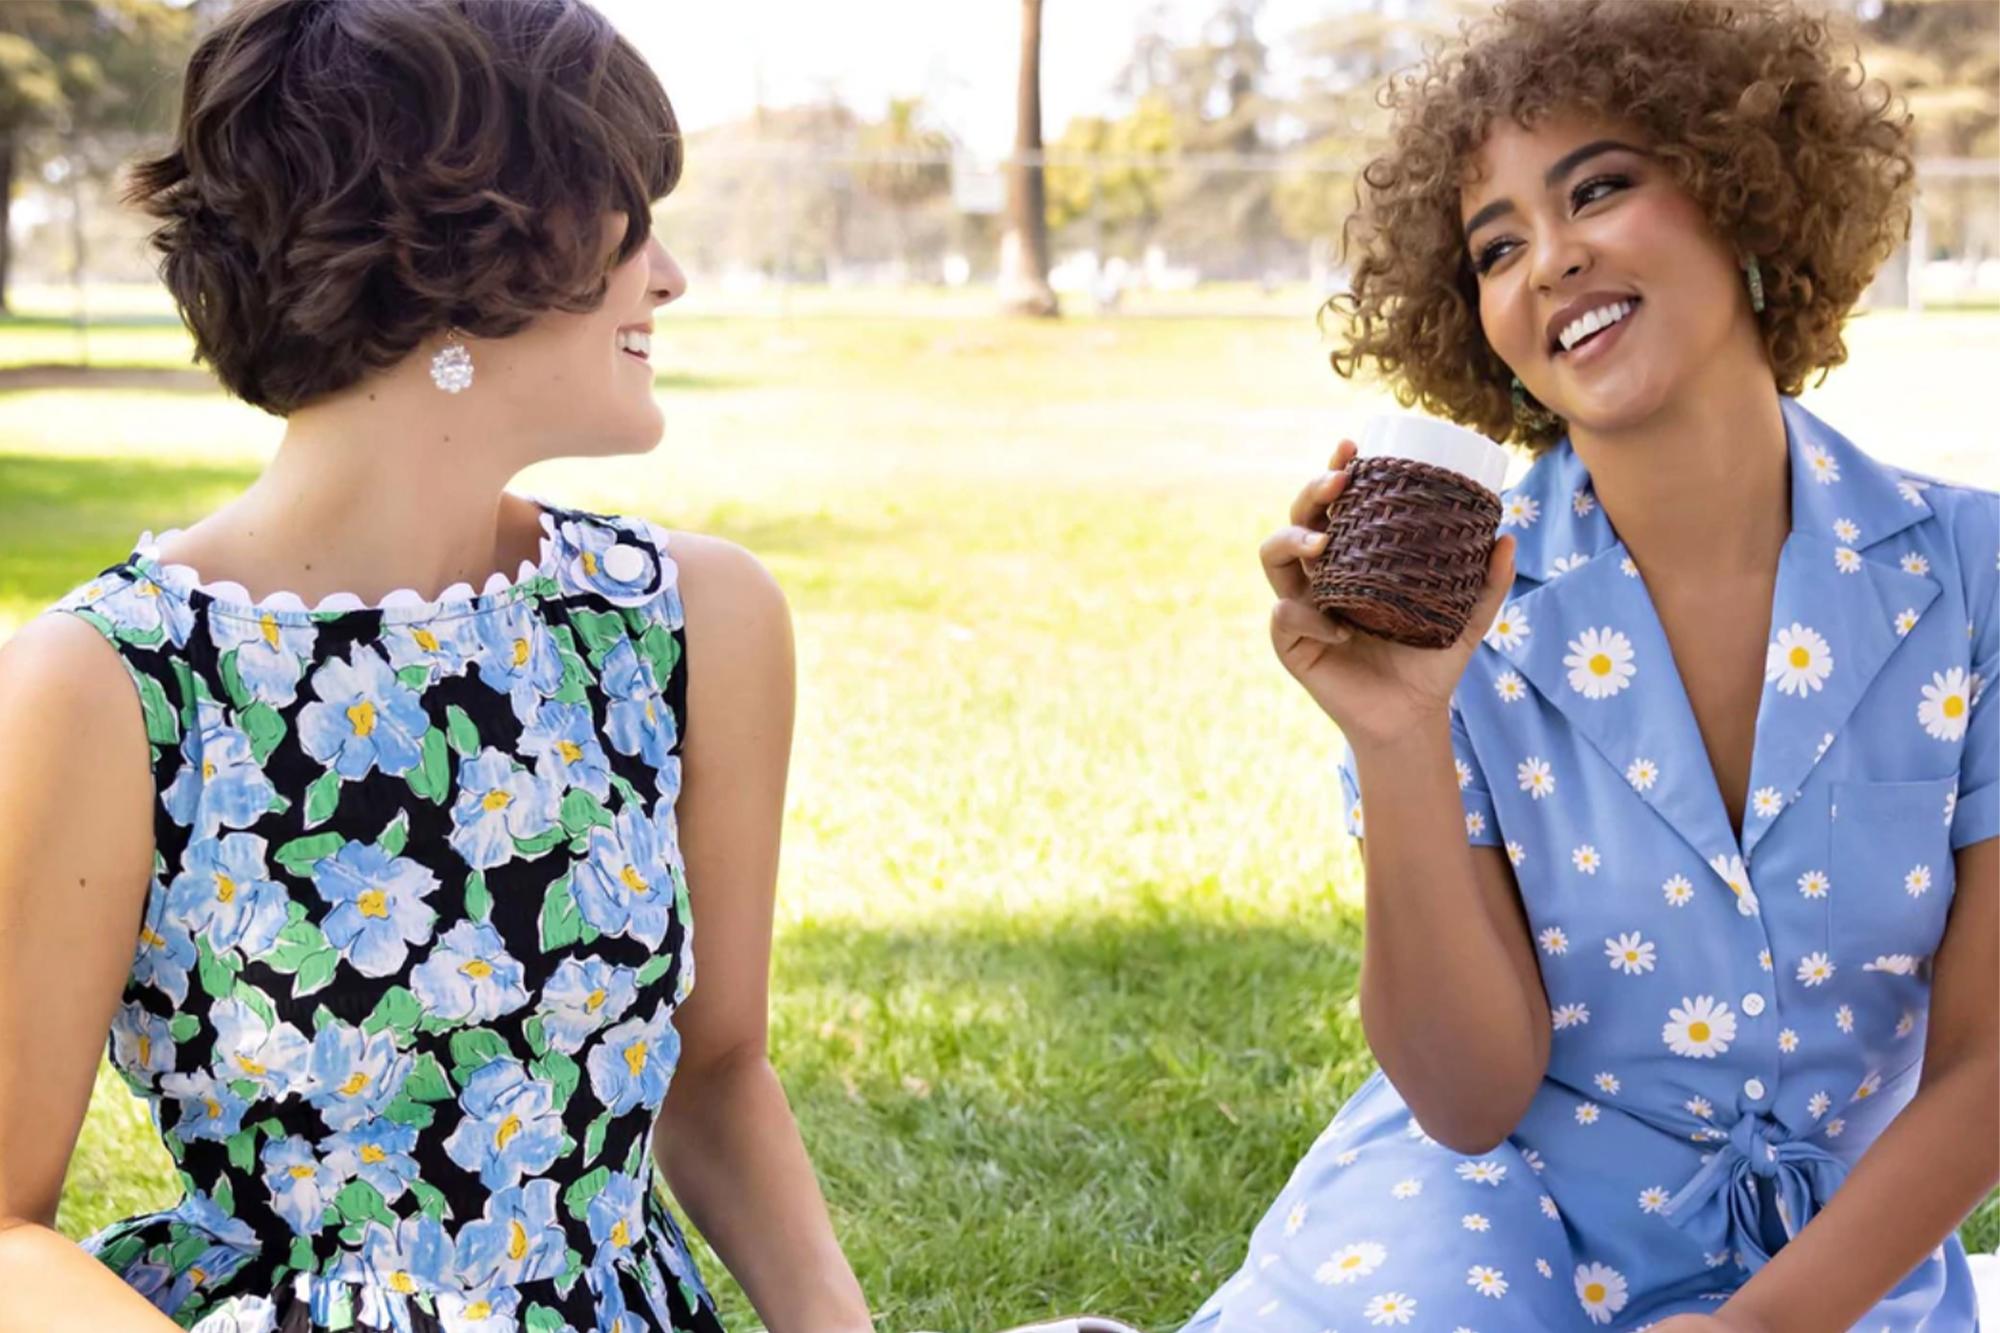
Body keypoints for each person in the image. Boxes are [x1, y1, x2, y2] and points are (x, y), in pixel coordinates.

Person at [0, 3, 873, 1331]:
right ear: (459, 248)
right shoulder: (111, 683)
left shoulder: (695, 619)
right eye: (627, 212)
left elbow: (719, 1068)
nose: (672, 274)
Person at [1190, 0, 1997, 1328]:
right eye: (1496, 245)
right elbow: (1465, 1097)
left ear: (1743, 193)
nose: (1549, 260)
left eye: (1600, 189)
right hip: (1477, 1229)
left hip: (1834, 1270)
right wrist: (1397, 739)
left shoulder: (1975, 575)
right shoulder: (1454, 625)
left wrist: (1761, 1325)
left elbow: (1989, 1062)